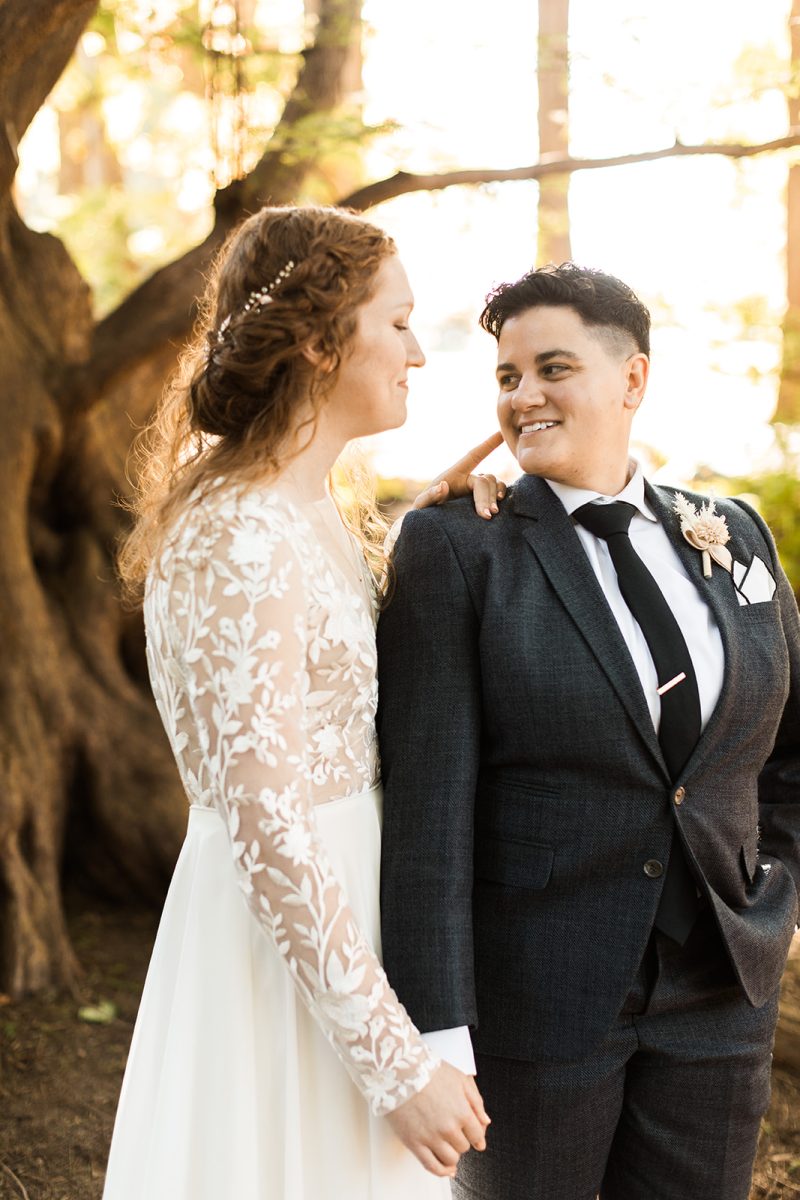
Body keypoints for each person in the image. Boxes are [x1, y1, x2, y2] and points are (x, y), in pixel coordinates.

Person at [376, 262, 800, 1200]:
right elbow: (427, 810)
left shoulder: (735, 534)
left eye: (551, 368)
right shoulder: (459, 548)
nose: (522, 396)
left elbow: (787, 747)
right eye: (506, 376)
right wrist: (436, 1031)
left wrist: (779, 889)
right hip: (536, 1001)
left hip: (721, 995)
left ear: (632, 380)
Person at [106, 203, 496, 1200]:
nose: (418, 350)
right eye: (398, 322)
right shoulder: (235, 535)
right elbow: (263, 820)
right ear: (323, 340)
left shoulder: (301, 504)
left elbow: (316, 660)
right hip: (282, 950)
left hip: (348, 913)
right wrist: (393, 1061)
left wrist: (432, 515)